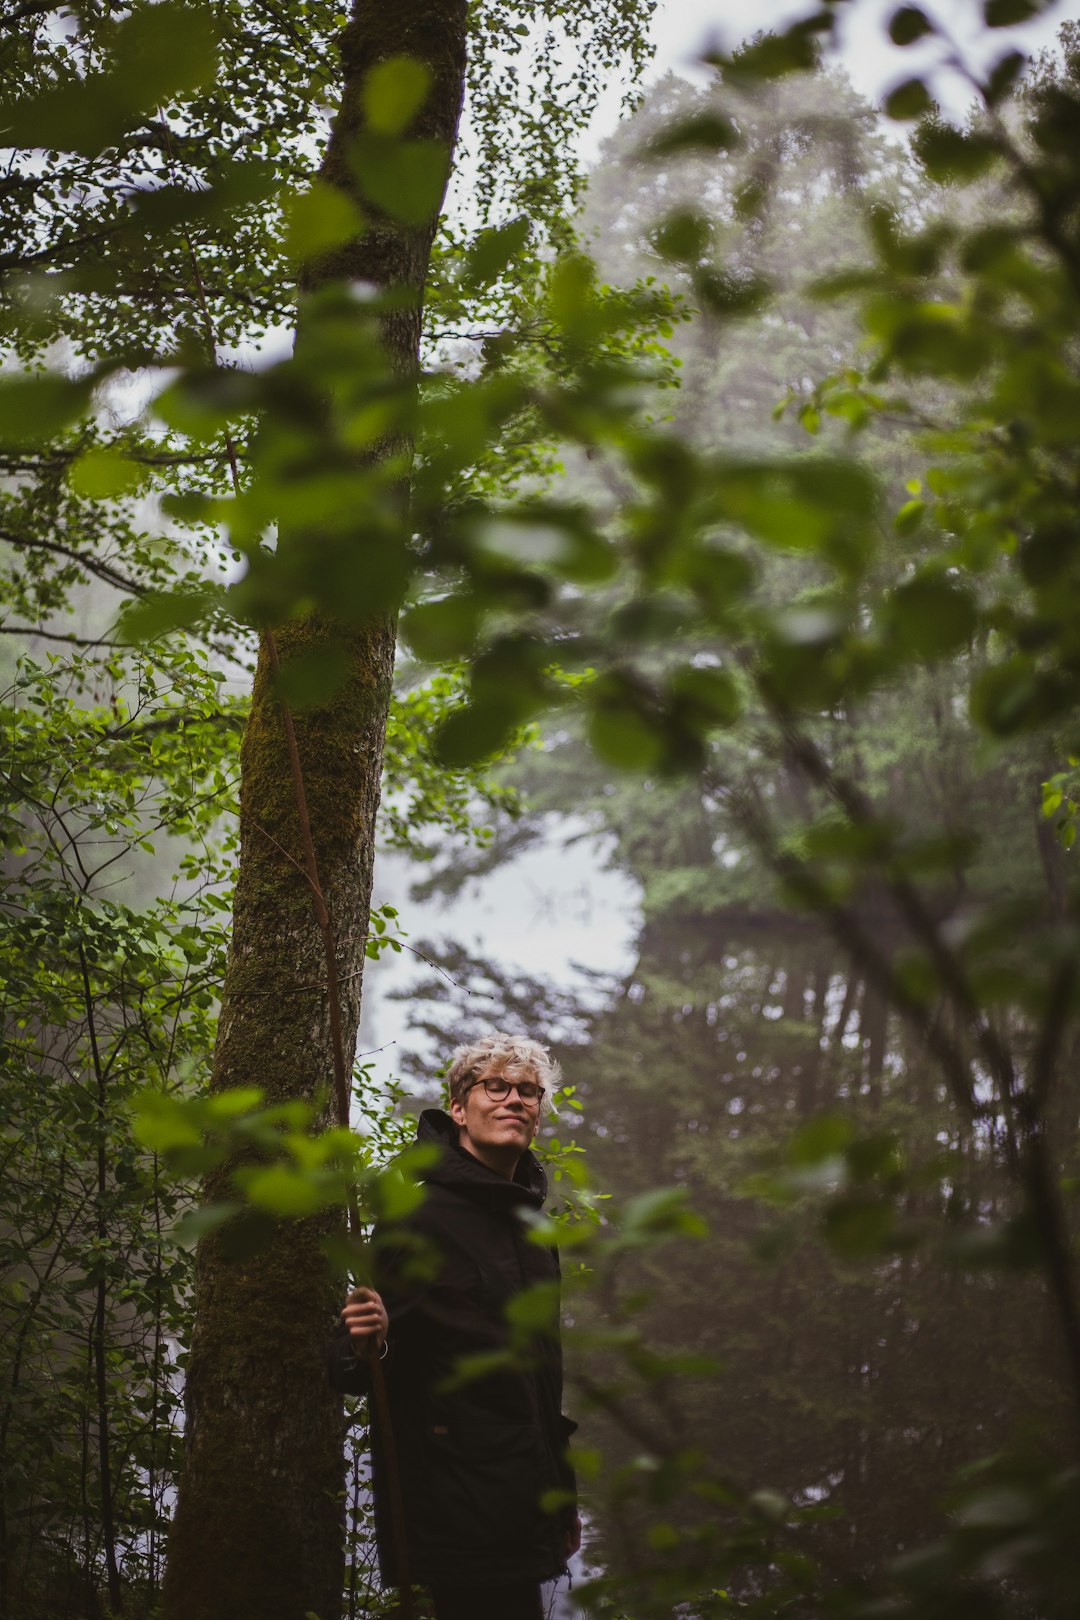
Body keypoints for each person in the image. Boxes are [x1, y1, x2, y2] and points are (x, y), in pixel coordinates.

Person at [330, 1034, 582, 1620]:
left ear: (539, 1115)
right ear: (460, 1110)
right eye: (494, 1086)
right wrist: (371, 1341)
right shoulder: (421, 1217)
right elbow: (349, 1362)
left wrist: (561, 1496)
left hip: (525, 1496)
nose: (514, 1099)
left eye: (527, 1091)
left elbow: (543, 1382)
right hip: (457, 1504)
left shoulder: (534, 1237)